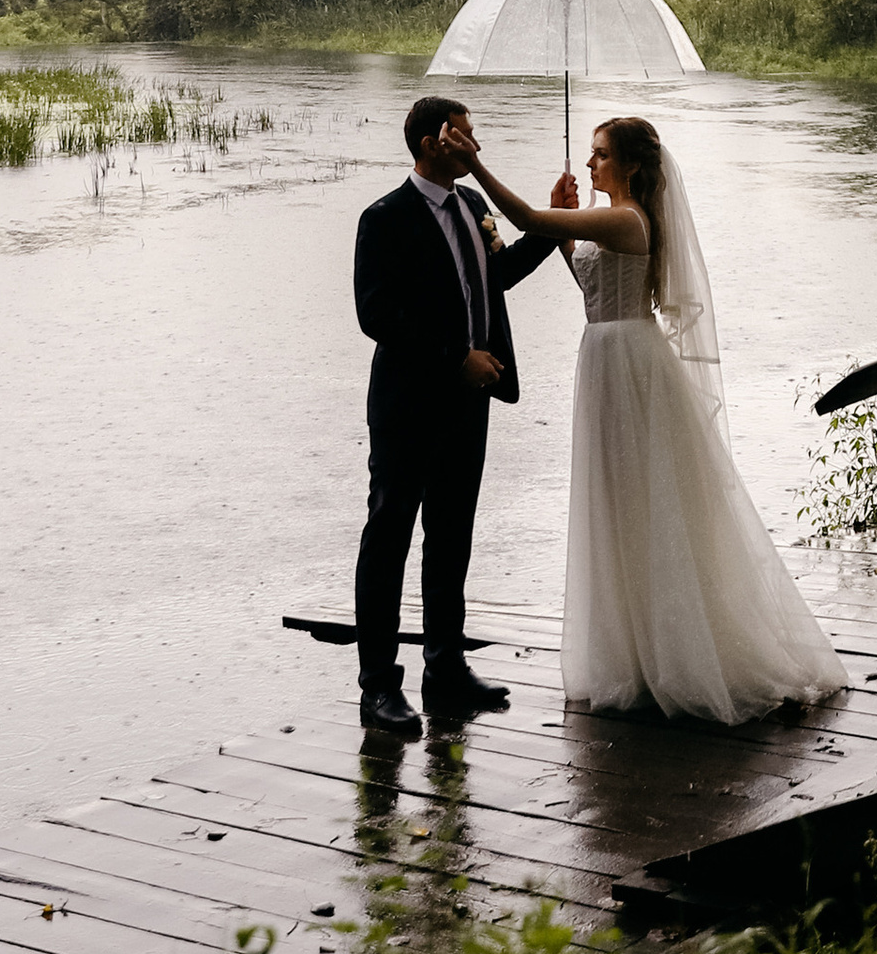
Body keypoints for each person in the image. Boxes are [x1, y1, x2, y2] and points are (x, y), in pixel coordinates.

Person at [466, 113, 847, 727]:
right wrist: (564, 228)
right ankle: (637, 651)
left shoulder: (628, 218)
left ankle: (677, 653)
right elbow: (591, 282)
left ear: (631, 165)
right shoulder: (609, 219)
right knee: (618, 501)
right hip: (604, 356)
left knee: (648, 499)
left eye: (599, 154)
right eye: (591, 153)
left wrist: (479, 168)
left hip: (629, 364)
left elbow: (528, 220)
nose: (590, 163)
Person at [351, 94, 560, 739]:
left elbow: (498, 276)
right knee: (389, 534)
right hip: (407, 405)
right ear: (432, 142)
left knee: (451, 535)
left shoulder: (472, 205)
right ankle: (379, 687)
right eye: (465, 135)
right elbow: (376, 316)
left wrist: (554, 223)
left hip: (469, 404)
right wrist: (455, 358)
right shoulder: (384, 217)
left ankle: (444, 669)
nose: (475, 145)